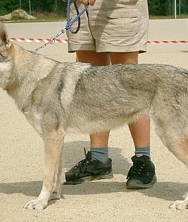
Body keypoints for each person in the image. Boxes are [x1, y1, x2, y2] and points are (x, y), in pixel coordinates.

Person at [65, 0, 156, 189]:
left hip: (119, 6)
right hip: (80, 8)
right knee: (92, 86)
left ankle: (143, 159)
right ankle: (98, 160)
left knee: (131, 85)